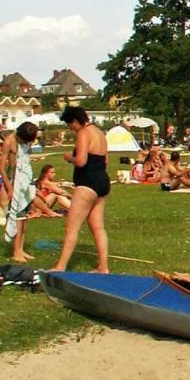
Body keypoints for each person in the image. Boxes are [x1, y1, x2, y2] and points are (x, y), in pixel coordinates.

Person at [51, 106, 110, 273]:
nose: (71, 129)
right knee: (98, 227)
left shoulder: (84, 133)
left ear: (76, 121)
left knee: (72, 227)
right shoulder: (100, 133)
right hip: (102, 181)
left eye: (71, 125)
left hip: (88, 183)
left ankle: (60, 266)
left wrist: (69, 157)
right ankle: (103, 267)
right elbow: (105, 160)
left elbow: (81, 161)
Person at [3, 122, 39, 263]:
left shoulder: (25, 142)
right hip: (13, 181)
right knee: (17, 217)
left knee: (24, 217)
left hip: (25, 179)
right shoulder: (9, 142)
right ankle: (16, 251)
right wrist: (9, 188)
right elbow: (1, 168)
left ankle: (21, 249)